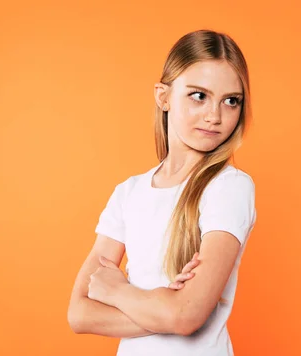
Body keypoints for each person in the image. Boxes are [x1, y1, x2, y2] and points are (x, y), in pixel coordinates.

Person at [67, 29, 257, 356]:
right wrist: (167, 306)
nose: (215, 116)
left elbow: (186, 315)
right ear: (163, 96)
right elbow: (80, 313)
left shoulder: (230, 187)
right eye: (199, 95)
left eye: (231, 101)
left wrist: (117, 291)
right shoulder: (129, 192)